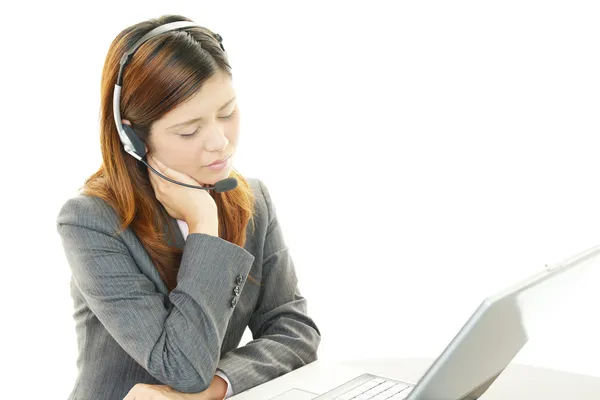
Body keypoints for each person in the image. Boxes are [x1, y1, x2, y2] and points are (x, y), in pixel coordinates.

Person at [56, 14, 321, 400]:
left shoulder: (254, 201)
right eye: (188, 129)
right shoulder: (91, 222)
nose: (220, 142)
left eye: (227, 112)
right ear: (133, 136)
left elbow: (295, 332)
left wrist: (215, 388)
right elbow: (183, 367)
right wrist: (203, 221)